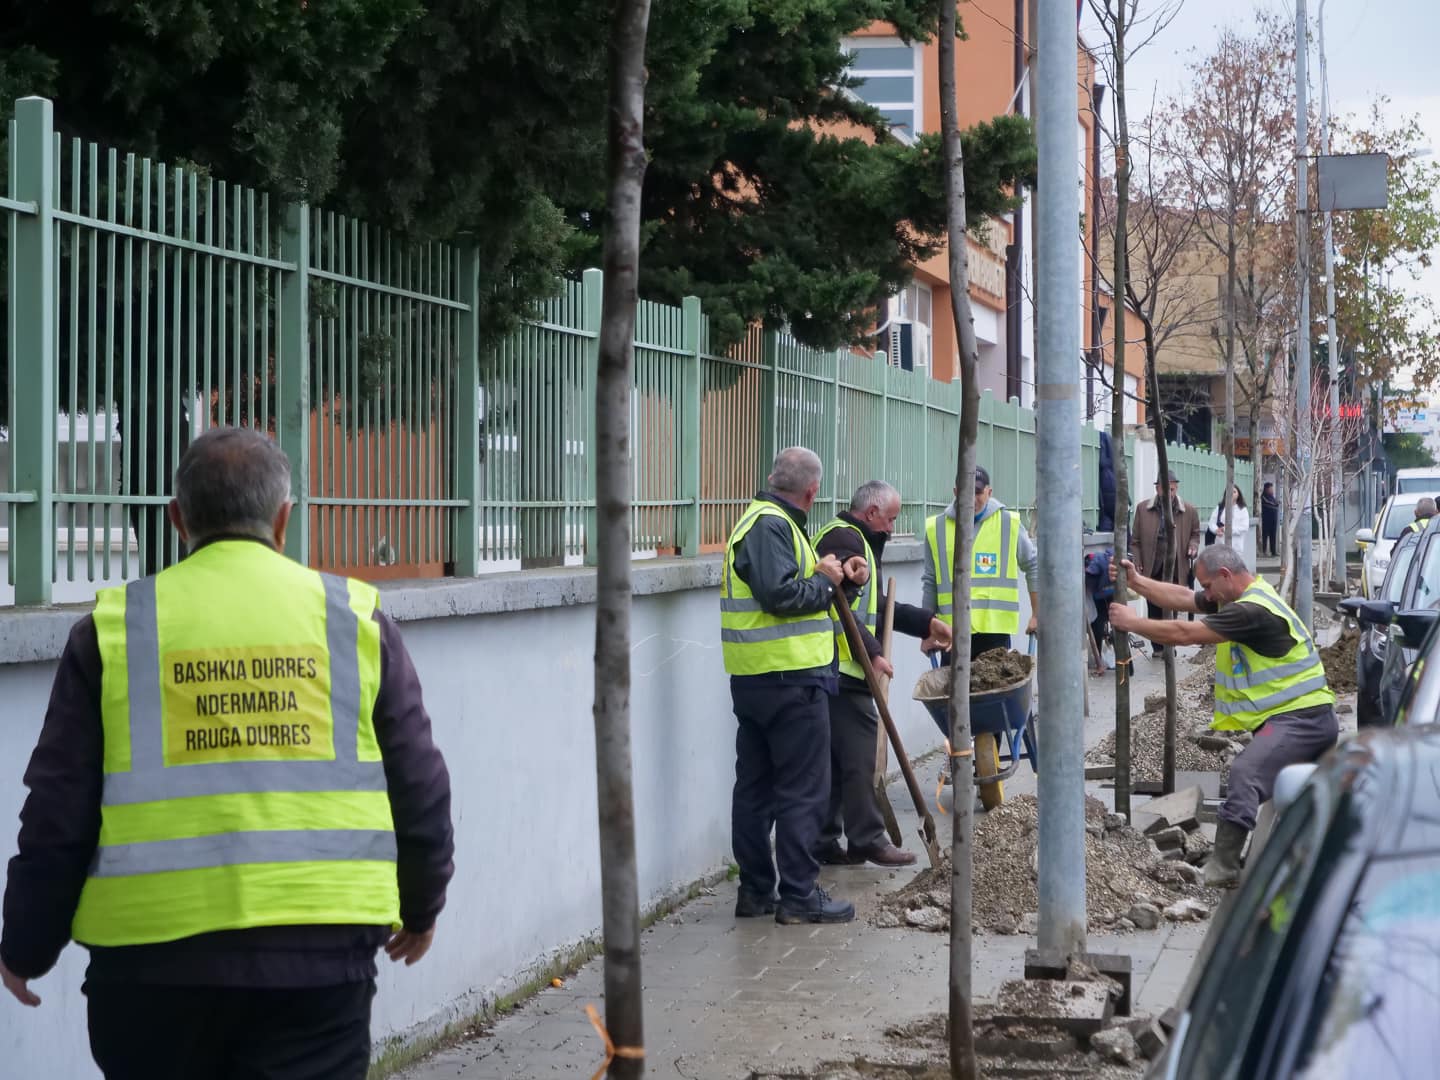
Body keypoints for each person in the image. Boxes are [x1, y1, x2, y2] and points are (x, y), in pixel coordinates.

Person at [0, 426, 454, 1079]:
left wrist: (26, 944)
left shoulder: (114, 632)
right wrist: (421, 905)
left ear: (177, 518)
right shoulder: (353, 620)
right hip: (316, 967)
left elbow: (57, 814)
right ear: (284, 519)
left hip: (149, 973)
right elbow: (421, 786)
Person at [1109, 545, 1337, 888]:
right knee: (1257, 776)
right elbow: (1185, 598)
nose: (1205, 593)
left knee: (1246, 773)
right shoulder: (1241, 596)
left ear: (1226, 576)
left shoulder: (1251, 612)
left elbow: (1185, 634)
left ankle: (1225, 866)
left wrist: (1133, 623)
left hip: (1303, 719)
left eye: (1208, 585)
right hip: (1295, 717)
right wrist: (1138, 583)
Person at [722, 446, 861, 925]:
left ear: (771, 476)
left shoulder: (767, 523)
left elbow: (792, 590)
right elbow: (782, 595)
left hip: (759, 680)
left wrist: (843, 581)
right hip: (790, 683)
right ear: (812, 490)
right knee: (803, 790)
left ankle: (757, 892)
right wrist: (825, 580)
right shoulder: (770, 526)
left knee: (756, 790)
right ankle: (799, 896)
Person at [812, 481, 953, 869]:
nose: (892, 528)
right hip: (841, 666)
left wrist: (926, 623)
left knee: (837, 761)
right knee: (859, 758)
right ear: (872, 512)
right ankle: (867, 839)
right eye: (890, 519)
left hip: (836, 665)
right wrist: (872, 653)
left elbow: (876, 606)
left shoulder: (849, 538)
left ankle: (825, 840)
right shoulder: (846, 541)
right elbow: (840, 608)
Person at [921, 465, 1039, 663]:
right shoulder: (936, 528)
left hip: (994, 634)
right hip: (952, 632)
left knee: (994, 691)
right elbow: (930, 581)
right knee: (954, 693)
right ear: (955, 492)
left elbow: (1033, 565)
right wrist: (925, 629)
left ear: (989, 492)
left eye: (977, 492)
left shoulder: (1008, 524)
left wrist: (1037, 614)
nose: (971, 498)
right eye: (965, 492)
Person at [1129, 469, 1201, 657]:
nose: (1169, 494)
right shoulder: (1143, 509)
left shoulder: (1189, 510)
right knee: (1154, 605)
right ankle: (1158, 647)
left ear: (1176, 488)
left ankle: (1170, 645)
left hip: (1177, 565)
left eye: (1172, 489)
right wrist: (1137, 560)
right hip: (1153, 564)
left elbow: (1195, 534)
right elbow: (1135, 540)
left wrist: (1193, 547)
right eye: (1165, 490)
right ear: (1157, 489)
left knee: (1173, 604)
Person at [1205, 485, 1251, 563]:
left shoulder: (1242, 509)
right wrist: (1216, 530)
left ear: (1238, 494)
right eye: (1229, 492)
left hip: (1236, 546)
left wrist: (1228, 529)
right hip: (1220, 544)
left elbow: (1244, 527)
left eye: (1234, 492)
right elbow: (1212, 523)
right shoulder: (1220, 507)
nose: (1231, 494)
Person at [1260, 482, 1280, 557]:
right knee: (1265, 536)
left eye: (1272, 488)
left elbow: (1276, 504)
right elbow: (1271, 504)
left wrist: (1276, 504)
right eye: (1270, 488)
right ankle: (1264, 551)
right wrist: (1276, 504)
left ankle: (1273, 551)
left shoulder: (1272, 497)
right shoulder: (1263, 497)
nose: (1272, 490)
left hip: (1273, 520)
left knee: (1273, 536)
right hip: (1266, 520)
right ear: (1266, 489)